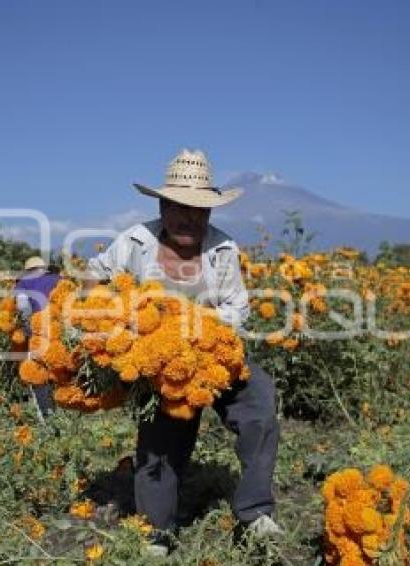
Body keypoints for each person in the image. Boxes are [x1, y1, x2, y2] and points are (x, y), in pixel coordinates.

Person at [86, 149, 281, 555]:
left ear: (209, 213)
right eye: (181, 207)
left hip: (213, 352)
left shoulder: (221, 249)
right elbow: (96, 278)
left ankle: (255, 511)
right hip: (159, 366)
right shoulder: (136, 243)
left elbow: (238, 308)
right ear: (163, 206)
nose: (189, 218)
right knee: (160, 442)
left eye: (199, 210)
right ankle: (157, 531)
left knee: (259, 399)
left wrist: (194, 329)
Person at [15, 256, 60, 418]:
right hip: (62, 333)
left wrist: (27, 331)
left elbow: (23, 308)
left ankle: (48, 420)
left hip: (39, 335)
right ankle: (67, 416)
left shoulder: (24, 283)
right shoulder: (59, 279)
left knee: (38, 377)